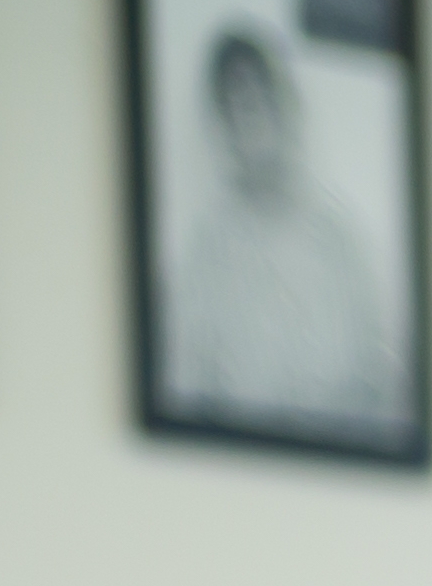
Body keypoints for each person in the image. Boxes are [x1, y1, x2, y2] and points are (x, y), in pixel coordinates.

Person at [166, 25, 403, 440]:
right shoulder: (206, 252)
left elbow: (384, 382)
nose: (253, 118)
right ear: (223, 125)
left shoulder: (340, 242)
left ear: (286, 105)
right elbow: (190, 393)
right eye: (238, 105)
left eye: (261, 98)